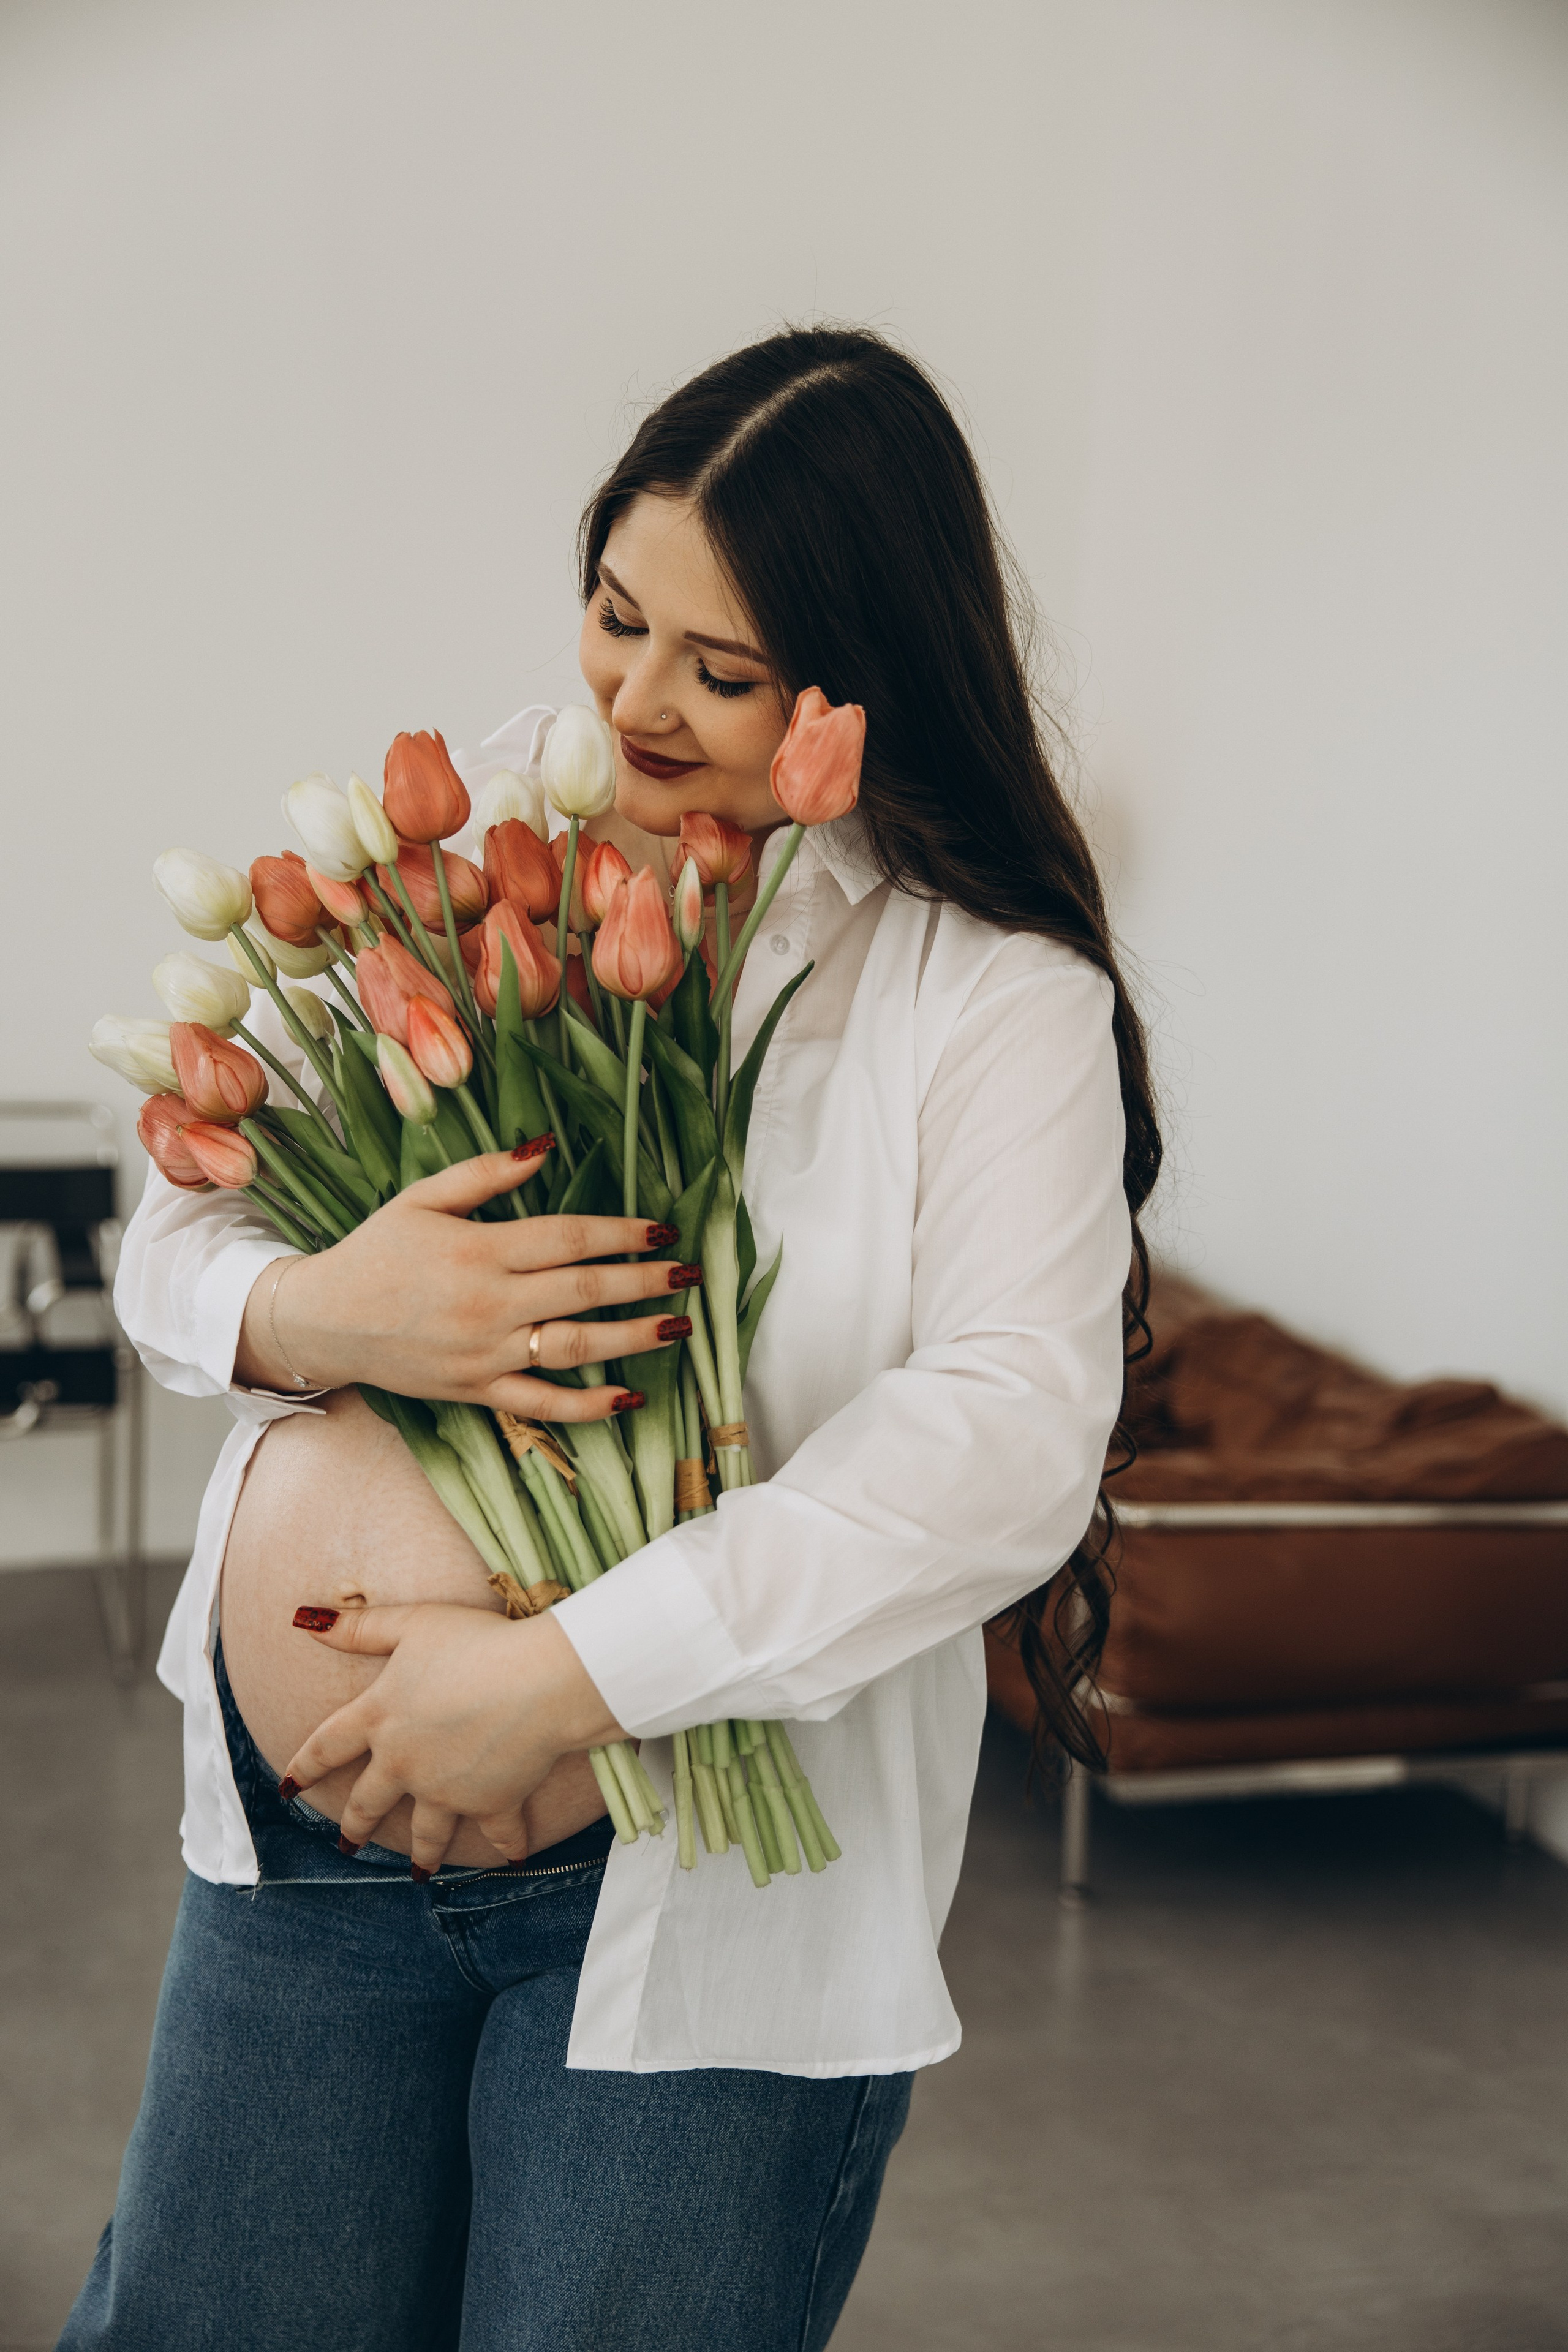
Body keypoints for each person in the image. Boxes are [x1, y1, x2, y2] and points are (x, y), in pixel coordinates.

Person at [61, 325, 1160, 2352]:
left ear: (859, 686)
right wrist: (316, 1304)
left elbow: (1010, 1434)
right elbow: (179, 1222)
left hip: (699, 1905)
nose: (633, 701)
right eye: (614, 615)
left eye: (718, 673)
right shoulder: (486, 840)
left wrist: (568, 1676)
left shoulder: (988, 999)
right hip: (318, 1833)